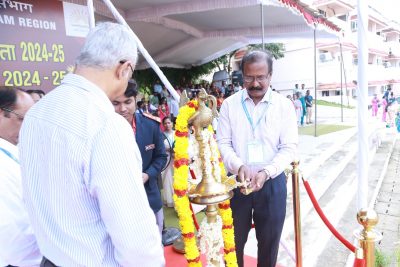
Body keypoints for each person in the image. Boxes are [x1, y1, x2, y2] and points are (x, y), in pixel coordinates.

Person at [19, 22, 164, 266]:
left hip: (50, 259)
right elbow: (134, 235)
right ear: (124, 69)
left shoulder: (37, 112)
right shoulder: (106, 124)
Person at [217, 50, 298, 267]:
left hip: (272, 185)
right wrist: (238, 165)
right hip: (236, 184)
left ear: (270, 76)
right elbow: (223, 143)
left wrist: (266, 172)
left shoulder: (284, 106)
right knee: (233, 244)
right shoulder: (229, 105)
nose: (255, 83)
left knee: (269, 245)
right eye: (249, 77)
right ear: (241, 76)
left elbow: (289, 147)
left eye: (261, 77)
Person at [113, 79, 167, 236]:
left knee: (155, 246)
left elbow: (161, 157)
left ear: (136, 99)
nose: (122, 109)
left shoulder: (151, 124)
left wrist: (147, 174)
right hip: (119, 203)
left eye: (128, 102)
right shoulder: (102, 129)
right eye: (116, 103)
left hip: (149, 196)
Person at [0, 87, 41, 267]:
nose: (27, 126)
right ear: (2, 114)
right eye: (22, 119)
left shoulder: (16, 150)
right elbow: (13, 231)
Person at [161, 116, 175, 208]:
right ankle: (170, 200)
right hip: (167, 160)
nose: (167, 125)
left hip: (177, 159)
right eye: (165, 123)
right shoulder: (161, 135)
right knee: (168, 179)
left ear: (172, 124)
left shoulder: (177, 133)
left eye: (169, 123)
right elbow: (160, 148)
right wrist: (168, 149)